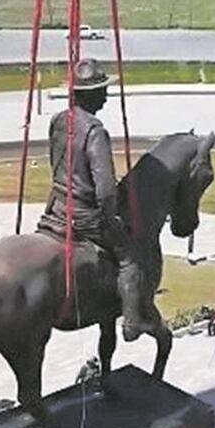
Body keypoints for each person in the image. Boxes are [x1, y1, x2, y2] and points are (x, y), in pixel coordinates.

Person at [36, 58, 147, 342]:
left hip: (57, 207)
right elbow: (106, 190)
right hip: (84, 215)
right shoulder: (95, 131)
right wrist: (111, 220)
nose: (106, 97)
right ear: (90, 94)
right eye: (102, 90)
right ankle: (132, 321)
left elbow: (55, 163)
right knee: (130, 257)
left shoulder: (57, 120)